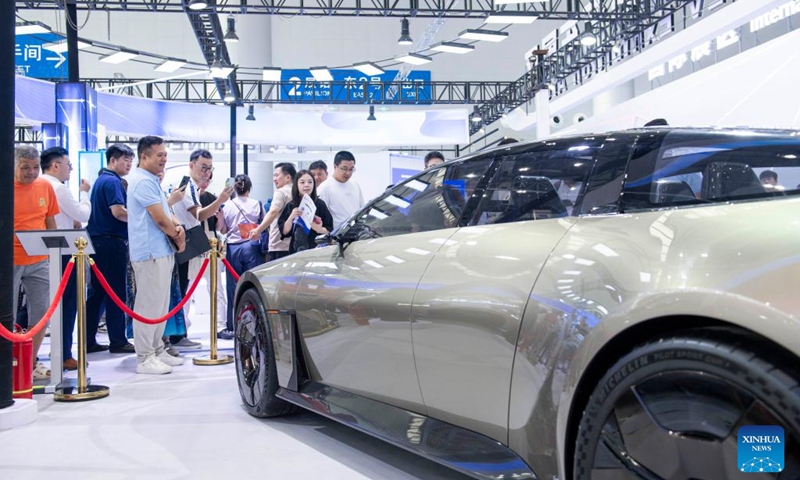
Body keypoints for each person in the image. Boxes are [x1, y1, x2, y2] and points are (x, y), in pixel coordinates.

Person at [126, 136, 186, 375]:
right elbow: (159, 219)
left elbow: (166, 213)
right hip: (149, 251)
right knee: (148, 305)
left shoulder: (152, 180)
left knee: (160, 305)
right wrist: (178, 236)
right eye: (159, 155)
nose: (164, 159)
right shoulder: (142, 181)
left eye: (165, 155)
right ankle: (145, 357)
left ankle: (157, 349)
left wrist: (177, 228)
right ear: (144, 157)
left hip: (161, 250)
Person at [170, 149, 233, 349]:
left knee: (188, 287)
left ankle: (178, 334)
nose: (206, 173)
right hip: (186, 240)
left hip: (193, 240)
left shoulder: (191, 188)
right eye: (203, 168)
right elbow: (199, 215)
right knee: (183, 289)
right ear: (191, 165)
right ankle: (176, 335)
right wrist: (220, 200)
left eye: (209, 169)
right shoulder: (187, 185)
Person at [40, 147, 91, 371]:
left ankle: (32, 355)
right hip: (63, 252)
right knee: (68, 305)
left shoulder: (39, 185)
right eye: (68, 165)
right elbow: (83, 214)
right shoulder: (58, 188)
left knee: (38, 307)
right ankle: (63, 354)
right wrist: (84, 194)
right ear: (55, 165)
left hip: (42, 251)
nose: (70, 169)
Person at [13, 146, 59, 381]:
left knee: (42, 313)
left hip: (39, 260)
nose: (31, 172)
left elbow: (50, 221)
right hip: (10, 260)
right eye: (25, 167)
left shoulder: (45, 186)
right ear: (14, 166)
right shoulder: (6, 186)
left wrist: (52, 252)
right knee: (6, 316)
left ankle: (29, 363)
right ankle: (8, 364)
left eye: (35, 167)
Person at [86, 144, 136, 354]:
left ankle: (88, 339)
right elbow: (118, 212)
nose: (129, 164)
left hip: (98, 242)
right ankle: (118, 340)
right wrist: (142, 217)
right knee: (116, 292)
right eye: (125, 159)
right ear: (113, 160)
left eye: (131, 160)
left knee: (98, 293)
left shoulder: (101, 180)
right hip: (111, 242)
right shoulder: (113, 181)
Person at [219, 174, 265, 338]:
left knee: (233, 287)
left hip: (233, 248)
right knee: (254, 285)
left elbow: (223, 229)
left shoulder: (227, 206)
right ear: (249, 188)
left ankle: (234, 324)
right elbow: (263, 224)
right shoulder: (257, 204)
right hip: (252, 246)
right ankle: (256, 321)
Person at [198, 175, 229, 340]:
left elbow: (220, 227)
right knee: (187, 286)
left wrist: (220, 218)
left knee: (216, 286)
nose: (205, 182)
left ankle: (220, 325)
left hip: (211, 241)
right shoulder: (188, 196)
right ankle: (181, 329)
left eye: (208, 179)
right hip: (192, 240)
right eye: (202, 178)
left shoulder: (212, 198)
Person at [248, 163, 297, 262]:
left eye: (276, 175)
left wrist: (258, 230)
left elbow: (273, 211)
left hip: (279, 245)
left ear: (288, 177)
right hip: (296, 244)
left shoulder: (281, 192)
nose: (274, 179)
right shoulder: (298, 193)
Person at [278, 170, 334, 254]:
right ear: (296, 185)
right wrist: (291, 217)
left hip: (317, 251)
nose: (306, 185)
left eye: (310, 182)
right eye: (302, 182)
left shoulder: (320, 204)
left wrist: (319, 229)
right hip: (296, 251)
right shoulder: (291, 205)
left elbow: (330, 230)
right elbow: (284, 232)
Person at [317, 151, 365, 230]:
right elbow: (321, 216)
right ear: (335, 166)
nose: (348, 173)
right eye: (344, 169)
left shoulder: (355, 184)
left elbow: (362, 209)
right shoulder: (324, 188)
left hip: (357, 231)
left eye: (351, 169)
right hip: (338, 234)